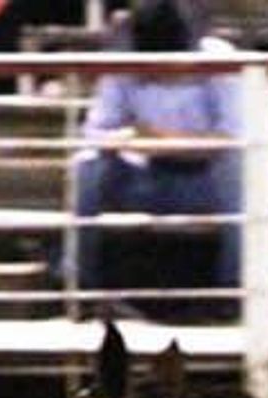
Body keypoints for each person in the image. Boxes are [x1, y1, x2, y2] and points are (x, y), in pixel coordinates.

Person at [67, 0, 241, 315]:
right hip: (144, 178)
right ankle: (81, 287)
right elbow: (97, 130)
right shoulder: (124, 61)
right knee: (87, 165)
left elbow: (233, 136)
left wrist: (162, 140)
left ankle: (234, 290)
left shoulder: (220, 61)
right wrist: (129, 138)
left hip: (206, 182)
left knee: (239, 167)